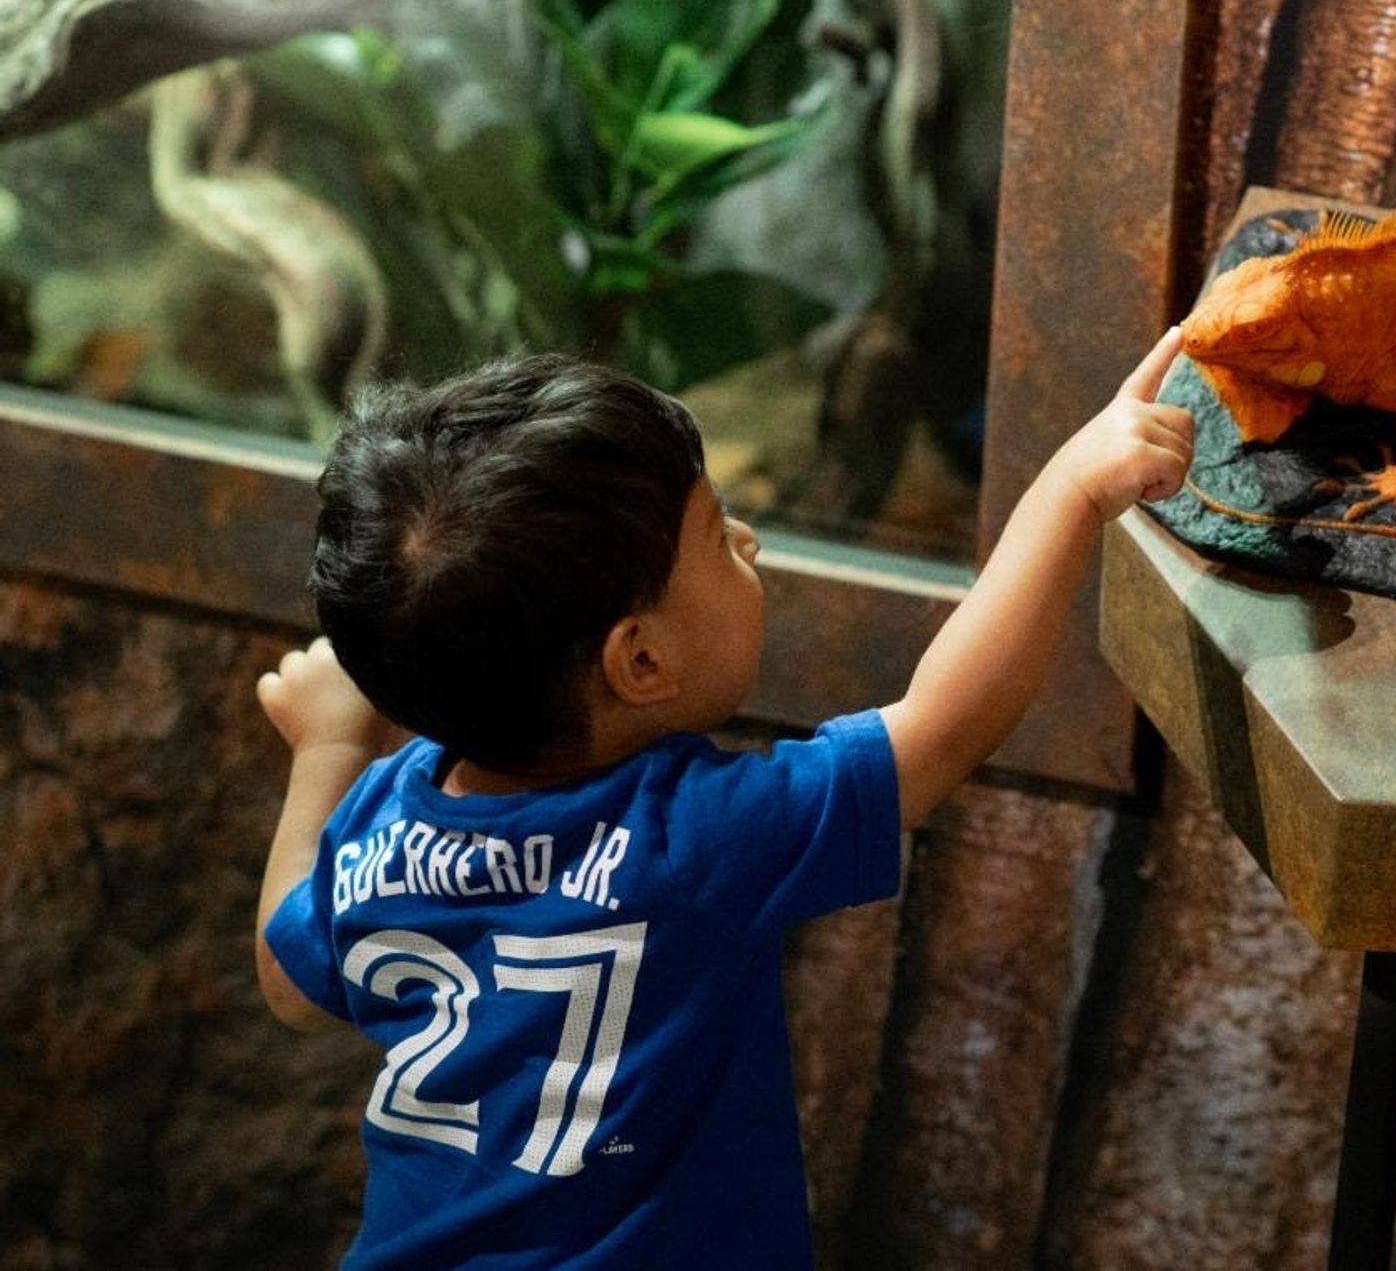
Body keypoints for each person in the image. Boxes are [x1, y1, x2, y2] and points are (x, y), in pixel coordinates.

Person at [253, 329, 1192, 1269]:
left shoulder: (386, 823)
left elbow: (289, 982)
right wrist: (1071, 491)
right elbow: (941, 730)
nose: (749, 538)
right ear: (642, 661)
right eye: (717, 534)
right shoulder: (685, 838)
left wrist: (332, 743)